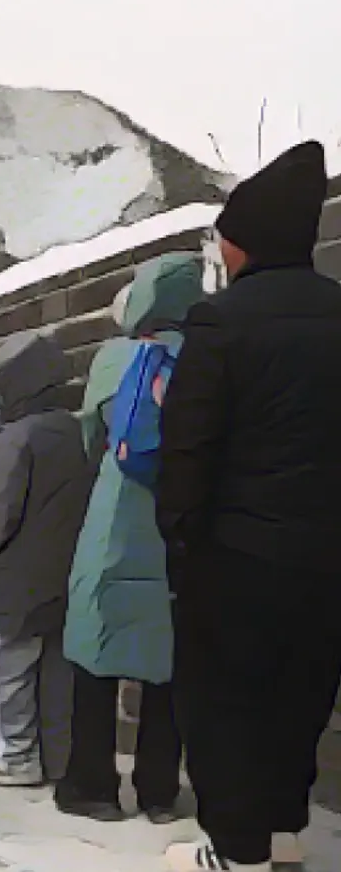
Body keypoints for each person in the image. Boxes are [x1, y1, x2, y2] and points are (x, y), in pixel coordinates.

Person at [157, 141, 341, 872]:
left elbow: (189, 451)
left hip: (235, 558)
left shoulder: (221, 323)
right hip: (327, 557)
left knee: (225, 704)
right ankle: (283, 833)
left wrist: (181, 543)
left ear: (245, 243)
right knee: (300, 696)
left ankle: (235, 852)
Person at [57, 252, 203, 824]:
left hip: (117, 522)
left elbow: (93, 438)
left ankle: (91, 784)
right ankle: (159, 789)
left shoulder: (116, 359)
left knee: (95, 652)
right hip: (181, 526)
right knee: (170, 660)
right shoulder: (206, 357)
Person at [0, 331, 91, 786]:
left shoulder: (17, 438)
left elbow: (1, 510)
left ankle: (15, 757)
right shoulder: (76, 430)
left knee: (8, 665)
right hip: (64, 570)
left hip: (16, 575)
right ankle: (56, 759)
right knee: (56, 671)